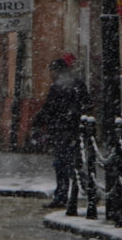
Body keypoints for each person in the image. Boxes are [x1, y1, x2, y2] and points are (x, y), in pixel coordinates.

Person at [32, 56, 91, 208]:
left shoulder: (57, 87)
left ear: (56, 71)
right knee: (72, 162)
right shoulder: (78, 84)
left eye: (51, 71)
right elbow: (88, 104)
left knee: (63, 164)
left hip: (62, 130)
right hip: (75, 129)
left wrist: (37, 122)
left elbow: (49, 108)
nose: (50, 74)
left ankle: (63, 196)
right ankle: (88, 189)